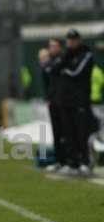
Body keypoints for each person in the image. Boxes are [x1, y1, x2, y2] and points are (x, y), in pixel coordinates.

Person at [59, 29, 95, 176]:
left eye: (74, 39)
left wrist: (65, 69)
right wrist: (64, 66)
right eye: (69, 39)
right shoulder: (67, 54)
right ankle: (73, 163)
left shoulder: (86, 54)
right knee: (69, 132)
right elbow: (56, 69)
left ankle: (85, 162)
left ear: (79, 40)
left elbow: (76, 72)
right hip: (67, 100)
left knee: (82, 132)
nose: (71, 42)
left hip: (81, 100)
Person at [41, 39, 68, 172]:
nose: (51, 48)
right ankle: (59, 161)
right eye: (50, 46)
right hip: (53, 101)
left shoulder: (63, 59)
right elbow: (47, 81)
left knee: (66, 132)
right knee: (57, 132)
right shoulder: (49, 62)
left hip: (64, 101)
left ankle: (69, 161)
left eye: (54, 46)